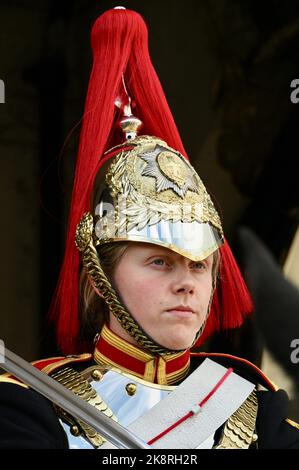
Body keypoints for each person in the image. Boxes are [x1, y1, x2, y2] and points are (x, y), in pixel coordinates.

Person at [0, 7, 299, 450]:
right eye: (160, 262)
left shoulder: (258, 412)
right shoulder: (30, 407)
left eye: (199, 265)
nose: (186, 285)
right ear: (100, 279)